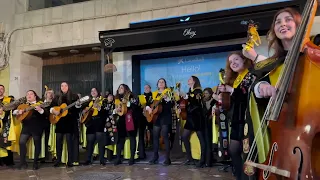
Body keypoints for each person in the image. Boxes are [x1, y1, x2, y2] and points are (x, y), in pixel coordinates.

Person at [218, 52, 254, 179]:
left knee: (247, 153)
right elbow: (233, 102)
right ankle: (240, 176)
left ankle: (247, 177)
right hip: (236, 119)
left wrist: (231, 90)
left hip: (247, 119)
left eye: (236, 59)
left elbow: (248, 95)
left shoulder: (251, 74)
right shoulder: (235, 79)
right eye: (230, 62)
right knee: (233, 151)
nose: (233, 63)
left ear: (244, 60)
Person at [50, 82, 82, 167]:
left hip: (70, 122)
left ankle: (70, 160)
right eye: (62, 86)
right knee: (58, 141)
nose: (64, 87)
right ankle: (58, 160)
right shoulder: (57, 97)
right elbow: (51, 107)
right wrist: (54, 111)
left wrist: (78, 105)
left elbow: (77, 109)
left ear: (68, 87)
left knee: (69, 141)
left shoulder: (74, 96)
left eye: (65, 85)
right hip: (60, 122)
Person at [14, 90, 45, 170]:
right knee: (21, 142)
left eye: (31, 94)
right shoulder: (23, 105)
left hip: (37, 127)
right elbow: (14, 111)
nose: (29, 95)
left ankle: (35, 162)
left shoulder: (40, 104)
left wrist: (40, 110)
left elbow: (46, 113)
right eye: (27, 94)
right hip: (26, 127)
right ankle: (22, 162)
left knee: (37, 144)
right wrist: (18, 111)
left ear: (35, 96)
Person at [147, 78, 173, 166]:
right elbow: (150, 104)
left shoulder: (168, 92)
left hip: (165, 117)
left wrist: (167, 99)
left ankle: (167, 158)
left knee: (165, 136)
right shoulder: (154, 94)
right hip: (156, 117)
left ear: (165, 84)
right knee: (155, 137)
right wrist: (149, 109)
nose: (161, 83)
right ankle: (155, 157)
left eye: (163, 82)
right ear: (157, 84)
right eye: (159, 82)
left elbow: (171, 105)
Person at [113, 84, 139, 166]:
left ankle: (132, 158)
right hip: (120, 121)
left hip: (130, 120)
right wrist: (116, 110)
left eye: (121, 87)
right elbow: (112, 110)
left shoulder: (131, 96)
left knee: (132, 138)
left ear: (125, 89)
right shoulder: (116, 99)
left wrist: (128, 103)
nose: (120, 89)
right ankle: (118, 158)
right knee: (120, 140)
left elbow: (135, 105)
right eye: (119, 87)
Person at [83, 88, 107, 166]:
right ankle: (88, 159)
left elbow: (105, 111)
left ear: (98, 92)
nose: (93, 92)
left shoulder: (102, 100)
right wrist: (84, 111)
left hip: (99, 122)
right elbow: (83, 110)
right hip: (90, 123)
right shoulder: (88, 101)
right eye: (91, 91)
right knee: (90, 142)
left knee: (100, 142)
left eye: (94, 91)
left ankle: (102, 160)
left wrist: (99, 107)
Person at [138, 84, 153, 159]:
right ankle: (141, 154)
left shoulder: (153, 96)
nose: (146, 88)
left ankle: (154, 153)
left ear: (150, 88)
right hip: (142, 118)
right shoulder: (141, 97)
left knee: (153, 134)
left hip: (151, 117)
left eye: (147, 87)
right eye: (145, 87)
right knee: (141, 135)